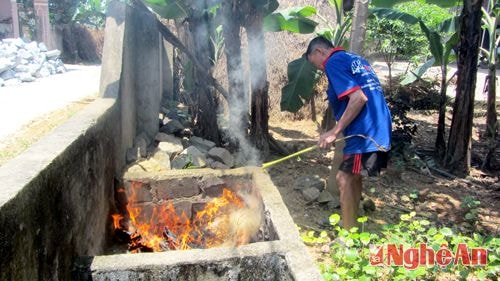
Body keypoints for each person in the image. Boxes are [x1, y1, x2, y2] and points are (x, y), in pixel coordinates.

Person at [305, 36, 392, 230]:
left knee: (343, 178)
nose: (319, 68)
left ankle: (348, 236)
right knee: (353, 177)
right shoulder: (354, 59)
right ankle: (353, 229)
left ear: (320, 52)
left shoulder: (333, 62)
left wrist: (334, 132)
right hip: (377, 126)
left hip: (364, 131)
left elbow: (358, 98)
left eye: (315, 64)